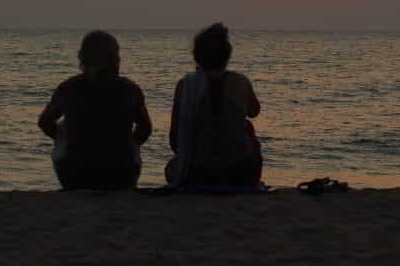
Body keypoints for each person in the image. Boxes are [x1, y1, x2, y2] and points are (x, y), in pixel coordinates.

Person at [37, 30, 152, 190]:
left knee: (64, 127)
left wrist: (68, 137)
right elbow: (145, 128)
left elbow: (44, 122)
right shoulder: (130, 89)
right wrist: (122, 143)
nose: (119, 58)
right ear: (113, 59)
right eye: (117, 54)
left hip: (75, 176)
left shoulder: (69, 88)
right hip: (122, 176)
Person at [166, 23, 262, 187]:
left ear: (196, 56)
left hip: (199, 172)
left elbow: (175, 140)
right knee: (247, 127)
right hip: (241, 172)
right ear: (227, 55)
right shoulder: (240, 82)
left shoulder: (186, 85)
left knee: (170, 169)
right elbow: (254, 111)